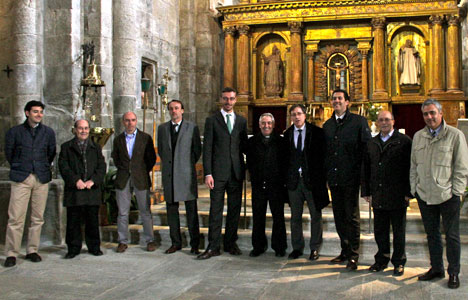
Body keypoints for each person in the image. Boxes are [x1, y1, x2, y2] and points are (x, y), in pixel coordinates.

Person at [410, 99, 468, 289]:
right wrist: (414, 188)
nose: (429, 117)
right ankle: (436, 268)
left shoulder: (455, 135)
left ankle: (453, 272)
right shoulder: (418, 136)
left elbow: (461, 167)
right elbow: (413, 166)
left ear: (440, 113)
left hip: (447, 195)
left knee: (451, 236)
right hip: (425, 194)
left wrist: (457, 192)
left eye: (432, 113)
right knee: (432, 235)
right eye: (426, 114)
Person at [3, 100, 56, 267]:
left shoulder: (48, 132)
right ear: (27, 113)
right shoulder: (15, 132)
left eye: (41, 112)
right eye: (35, 111)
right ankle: (12, 253)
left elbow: (51, 153)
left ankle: (32, 250)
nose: (39, 114)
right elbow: (9, 153)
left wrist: (41, 167)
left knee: (37, 218)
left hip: (41, 177)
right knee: (16, 218)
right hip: (22, 177)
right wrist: (21, 168)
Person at [323, 89, 371, 270]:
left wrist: (364, 178)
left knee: (351, 217)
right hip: (334, 178)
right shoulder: (327, 125)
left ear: (347, 102)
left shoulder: (359, 122)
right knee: (338, 216)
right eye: (334, 99)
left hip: (351, 177)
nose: (336, 101)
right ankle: (344, 250)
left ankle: (354, 255)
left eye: (340, 99)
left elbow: (365, 151)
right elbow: (326, 154)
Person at [198, 87, 248, 259]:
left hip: (235, 172)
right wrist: (208, 173)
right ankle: (213, 246)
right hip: (217, 174)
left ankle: (230, 243)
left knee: (234, 210)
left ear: (235, 100)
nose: (228, 102)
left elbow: (243, 147)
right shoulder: (212, 120)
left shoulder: (241, 121)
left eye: (232, 99)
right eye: (226, 99)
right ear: (221, 99)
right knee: (216, 210)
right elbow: (208, 149)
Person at [362, 111, 412, 276]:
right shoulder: (372, 142)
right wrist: (366, 191)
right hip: (378, 192)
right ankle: (381, 260)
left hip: (397, 193)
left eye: (387, 120)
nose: (383, 122)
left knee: (398, 231)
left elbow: (410, 168)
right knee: (380, 230)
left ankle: (398, 262)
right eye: (381, 120)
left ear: (393, 121)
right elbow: (366, 168)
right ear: (377, 123)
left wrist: (408, 192)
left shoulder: (404, 141)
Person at [284, 104, 329, 260]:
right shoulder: (287, 134)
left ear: (305, 115)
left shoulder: (317, 133)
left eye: (299, 114)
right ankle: (297, 247)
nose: (296, 117)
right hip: (294, 182)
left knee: (315, 215)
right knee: (295, 217)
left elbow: (323, 157)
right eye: (293, 114)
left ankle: (315, 248)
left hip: (312, 181)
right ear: (291, 117)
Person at [157, 100, 201, 255]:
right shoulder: (162, 129)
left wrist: (184, 165)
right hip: (169, 175)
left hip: (186, 174)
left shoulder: (191, 127)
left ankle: (195, 243)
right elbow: (162, 151)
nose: (174, 111)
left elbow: (196, 150)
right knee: (171, 211)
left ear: (182, 110)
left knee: (191, 211)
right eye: (171, 109)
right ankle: (176, 242)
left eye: (176, 108)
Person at [58, 119, 106, 259]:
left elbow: (101, 167)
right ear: (75, 130)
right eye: (80, 128)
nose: (83, 131)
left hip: (91, 189)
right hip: (75, 190)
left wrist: (93, 181)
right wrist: (75, 181)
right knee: (73, 221)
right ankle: (73, 248)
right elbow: (63, 167)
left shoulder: (96, 147)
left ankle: (94, 247)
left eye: (86, 128)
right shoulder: (66, 147)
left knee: (92, 220)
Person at [111, 111, 157, 253]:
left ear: (136, 121)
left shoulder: (145, 138)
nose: (130, 123)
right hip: (123, 178)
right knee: (123, 212)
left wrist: (141, 170)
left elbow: (151, 158)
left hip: (141, 178)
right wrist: (126, 169)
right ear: (123, 122)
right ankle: (122, 241)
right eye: (127, 120)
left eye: (132, 120)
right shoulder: (118, 140)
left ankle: (150, 240)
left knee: (145, 211)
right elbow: (116, 158)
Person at [246, 113, 287, 257]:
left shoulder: (281, 142)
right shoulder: (252, 142)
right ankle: (258, 246)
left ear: (273, 125)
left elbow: (284, 164)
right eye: (263, 123)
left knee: (278, 217)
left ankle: (279, 246)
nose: (266, 126)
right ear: (259, 125)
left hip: (276, 186)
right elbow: (249, 162)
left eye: (269, 123)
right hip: (258, 185)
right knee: (258, 217)